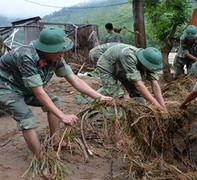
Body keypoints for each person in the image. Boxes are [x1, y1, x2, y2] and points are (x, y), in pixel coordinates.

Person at [0, 27, 113, 178]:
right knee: (27, 119)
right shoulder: (26, 56)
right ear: (45, 49)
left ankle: (56, 141)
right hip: (6, 88)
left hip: (24, 86)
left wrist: (99, 97)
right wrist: (62, 116)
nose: (62, 54)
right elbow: (39, 92)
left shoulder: (56, 56)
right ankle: (42, 161)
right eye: (58, 51)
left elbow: (75, 80)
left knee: (55, 101)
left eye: (63, 50)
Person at [96, 43, 168, 150]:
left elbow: (155, 85)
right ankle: (117, 137)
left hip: (123, 69)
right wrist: (157, 107)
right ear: (144, 63)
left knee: (139, 98)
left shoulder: (149, 64)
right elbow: (139, 85)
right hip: (108, 67)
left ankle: (137, 131)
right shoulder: (128, 56)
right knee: (115, 100)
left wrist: (163, 107)